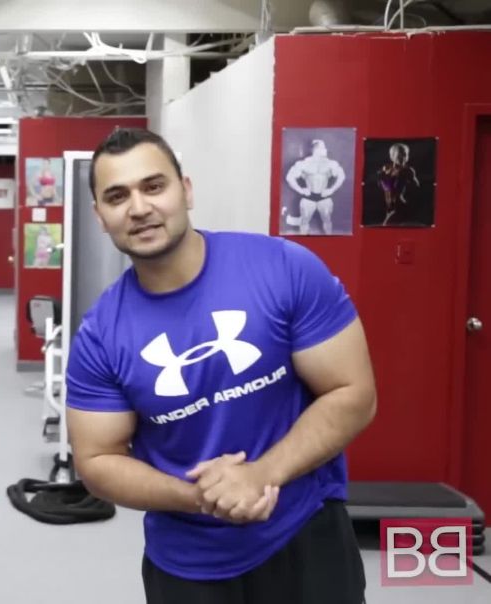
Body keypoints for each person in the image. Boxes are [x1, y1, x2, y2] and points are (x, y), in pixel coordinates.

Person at [64, 127, 376, 603]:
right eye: (117, 196)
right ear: (100, 216)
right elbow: (97, 459)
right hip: (188, 564)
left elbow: (353, 393)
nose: (139, 208)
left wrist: (261, 474)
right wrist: (202, 498)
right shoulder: (100, 336)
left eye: (154, 186)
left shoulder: (283, 268)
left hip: (305, 536)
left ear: (185, 190)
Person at [284, 138, 346, 235]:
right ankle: (302, 245)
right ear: (316, 149)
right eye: (323, 148)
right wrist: (300, 190)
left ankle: (329, 242)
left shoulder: (330, 163)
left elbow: (341, 176)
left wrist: (332, 190)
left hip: (324, 197)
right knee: (304, 222)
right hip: (308, 197)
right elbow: (289, 177)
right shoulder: (304, 163)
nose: (326, 150)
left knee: (327, 220)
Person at [376, 142, 420, 226]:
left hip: (400, 207)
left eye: (405, 154)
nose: (403, 157)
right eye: (400, 154)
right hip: (388, 208)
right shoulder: (385, 171)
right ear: (392, 156)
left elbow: (417, 188)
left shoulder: (408, 171)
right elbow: (382, 188)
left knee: (386, 226)